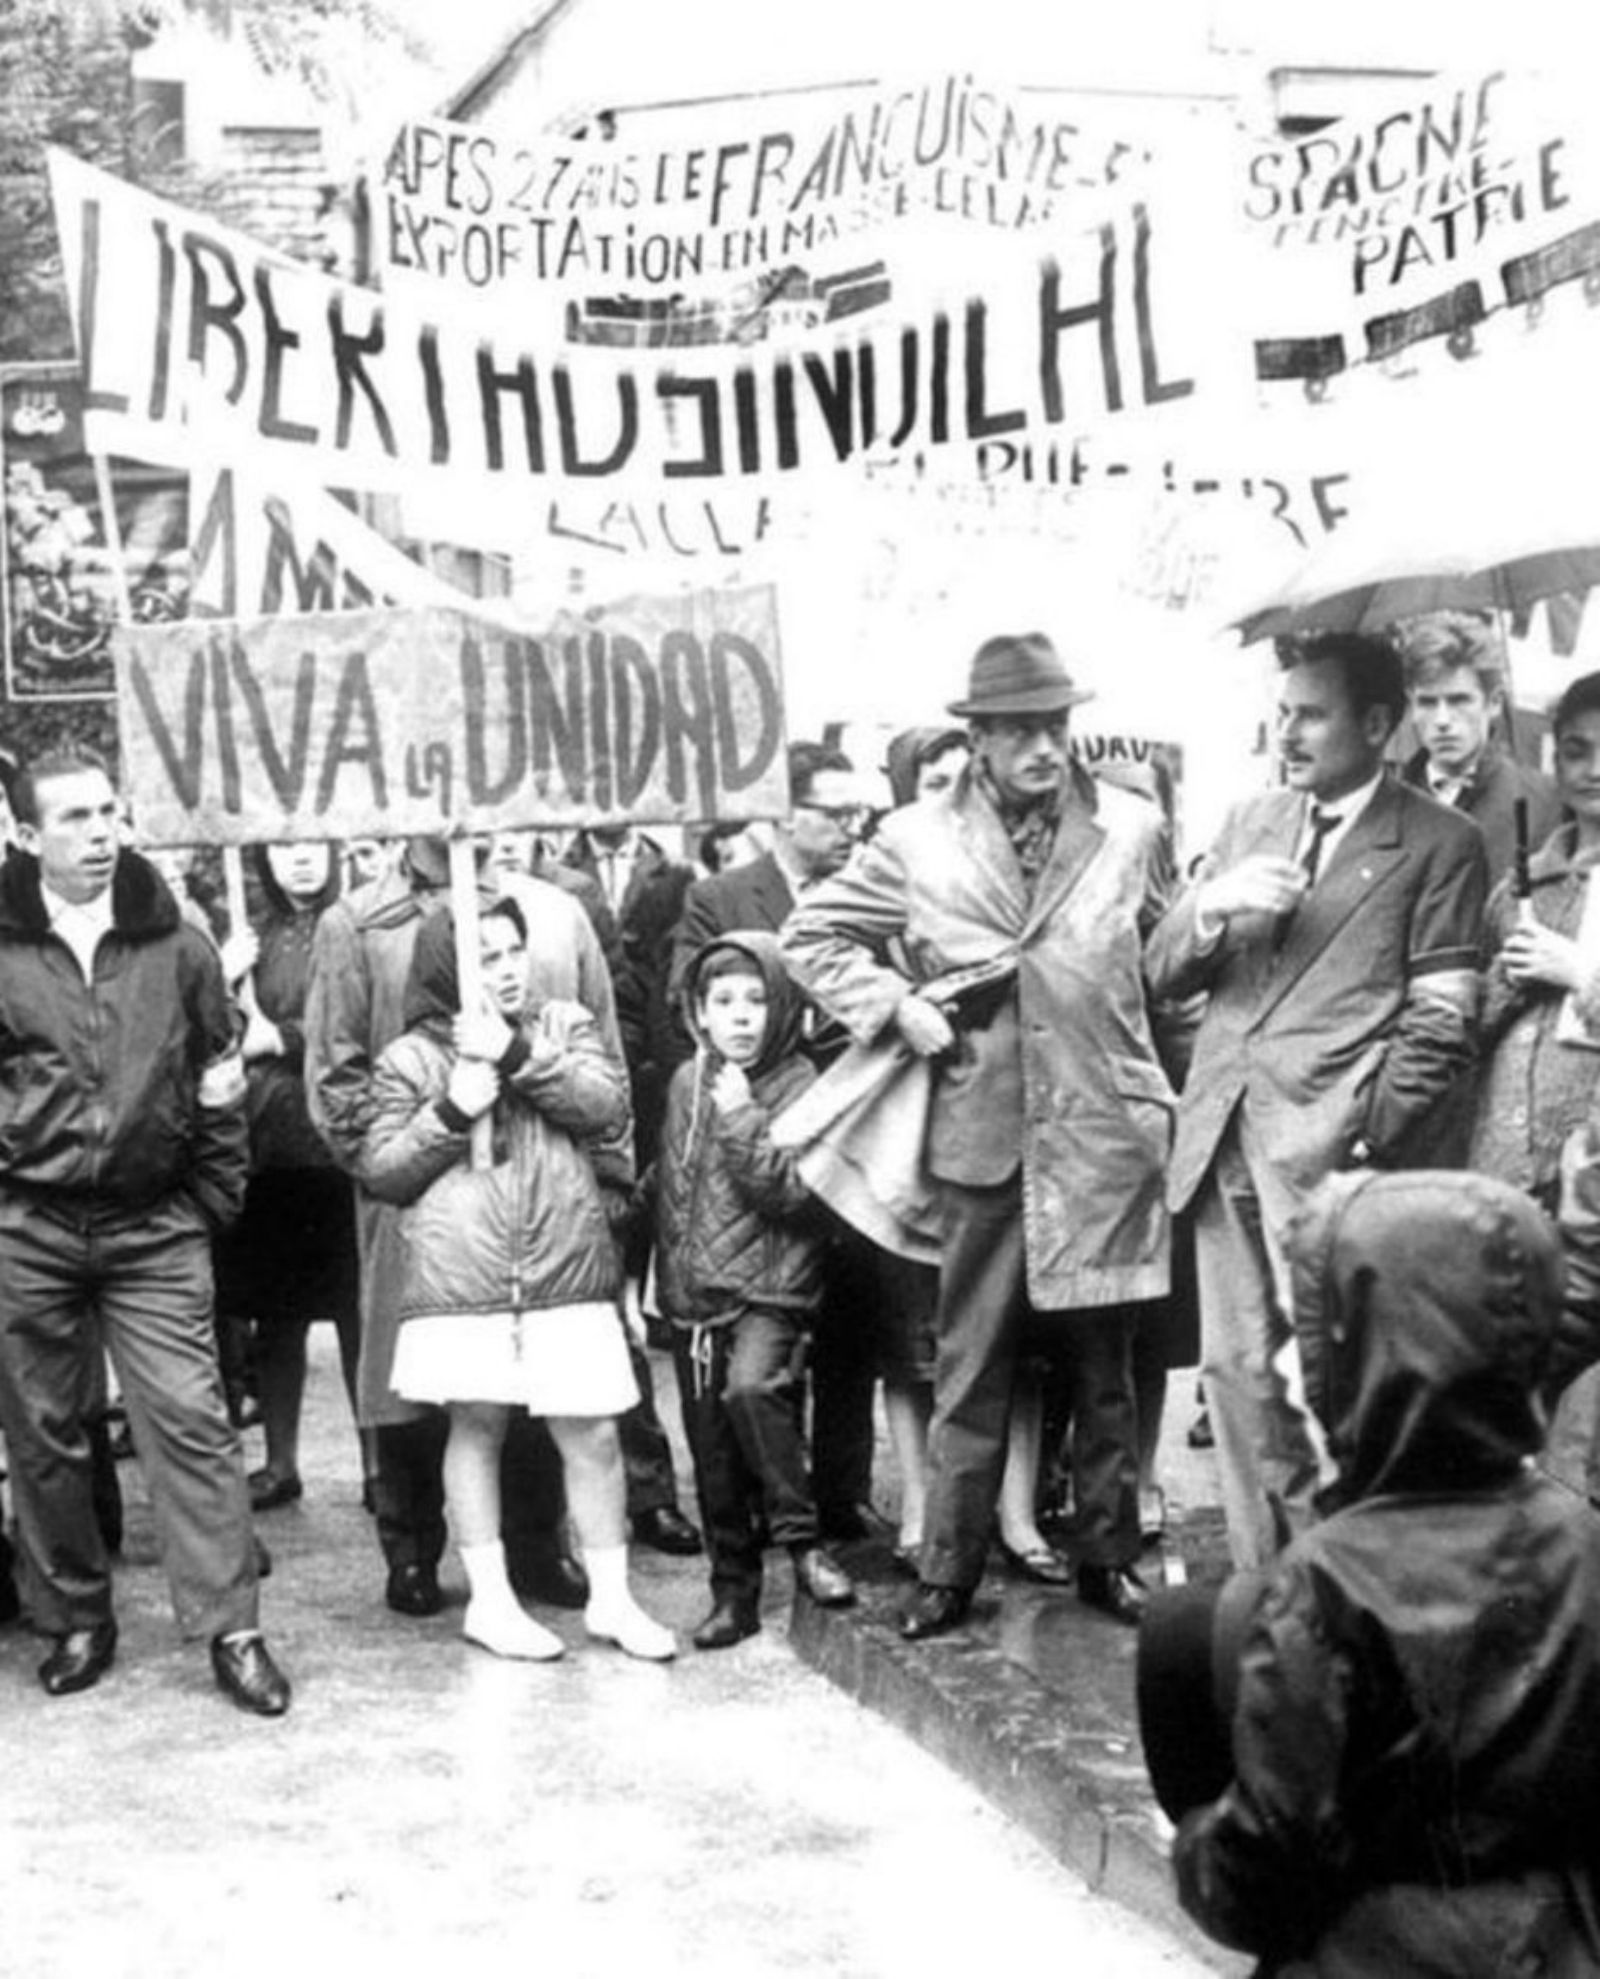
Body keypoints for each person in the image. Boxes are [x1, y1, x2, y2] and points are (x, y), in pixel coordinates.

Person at [784, 633, 1174, 1638]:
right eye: (1020, 729)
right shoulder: (917, 839)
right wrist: (894, 1002)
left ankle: (1108, 1554)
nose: (1044, 745)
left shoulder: (1130, 826)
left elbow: (1164, 959)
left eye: (1055, 724)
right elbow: (808, 935)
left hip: (1102, 1132)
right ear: (980, 737)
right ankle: (948, 1568)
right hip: (981, 1129)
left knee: (1106, 1366)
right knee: (967, 1362)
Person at [1173, 1170, 1600, 1974]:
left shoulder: (1324, 1577)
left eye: (1311, 1331)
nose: (1285, 1358)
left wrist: (1197, 1847)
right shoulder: (1580, 1535)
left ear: (1377, 1353)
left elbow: (1267, 1856)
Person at [1147, 631, 1487, 1570]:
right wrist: (1215, 906)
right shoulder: (1251, 818)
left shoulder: (1440, 842)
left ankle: (1360, 1592)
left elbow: (1441, 1023)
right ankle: (1275, 1595)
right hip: (1221, 1144)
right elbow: (1162, 969)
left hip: (1335, 1164)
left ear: (1379, 724)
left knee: (1339, 1390)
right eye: (1283, 711)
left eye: (1311, 714)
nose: (1287, 732)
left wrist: (1361, 1141)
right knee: (1238, 1376)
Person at [0, 745, 289, 1713]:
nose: (98, 833)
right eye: (73, 818)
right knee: (43, 1430)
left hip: (152, 1223)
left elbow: (219, 1077)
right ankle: (76, 1612)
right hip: (29, 1223)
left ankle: (232, 1625)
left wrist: (207, 1201)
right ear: (28, 835)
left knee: (192, 1420)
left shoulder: (178, 942)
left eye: (108, 812)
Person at [363, 898, 673, 1662]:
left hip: (562, 1259)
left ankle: (612, 1597)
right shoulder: (410, 1057)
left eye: (512, 952)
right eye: (484, 957)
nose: (504, 970)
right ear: (447, 968)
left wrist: (515, 1052)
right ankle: (491, 1602)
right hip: (464, 1272)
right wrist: (448, 1110)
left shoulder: (562, 1024)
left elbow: (603, 1104)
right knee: (478, 1426)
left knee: (593, 1429)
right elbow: (384, 1170)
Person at [305, 837, 594, 1618]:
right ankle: (413, 1548)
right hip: (419, 1183)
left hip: (534, 1189)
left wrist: (604, 1178)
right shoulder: (358, 921)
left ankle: (538, 1542)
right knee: (413, 1380)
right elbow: (336, 1071)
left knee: (527, 1369)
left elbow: (600, 1047)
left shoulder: (550, 910)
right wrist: (384, 1166)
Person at [672, 742, 884, 1546]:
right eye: (834, 811)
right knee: (757, 1353)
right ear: (782, 812)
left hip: (852, 1130)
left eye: (857, 813)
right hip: (756, 1129)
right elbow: (684, 1003)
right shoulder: (719, 896)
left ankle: (844, 1489)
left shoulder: (872, 893)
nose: (850, 827)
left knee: (851, 1328)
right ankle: (764, 1499)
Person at [653, 933, 856, 1650]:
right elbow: (676, 1187)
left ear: (784, 1007)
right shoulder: (687, 1081)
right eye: (724, 1002)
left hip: (774, 1284)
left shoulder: (802, 1083)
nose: (741, 1017)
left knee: (752, 1391)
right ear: (699, 1013)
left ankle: (802, 1545)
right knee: (710, 1447)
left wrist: (741, 1113)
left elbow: (795, 1193)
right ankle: (732, 1593)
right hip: (697, 1293)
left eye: (757, 1000)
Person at [214, 841, 365, 1514]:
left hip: (340, 1143)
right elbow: (209, 1031)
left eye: (312, 847)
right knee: (276, 1316)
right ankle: (280, 1461)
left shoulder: (357, 922)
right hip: (268, 1145)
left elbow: (365, 1020)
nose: (299, 861)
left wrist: (283, 1037)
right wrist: (222, 979)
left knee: (359, 1311)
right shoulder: (253, 935)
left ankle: (379, 1464)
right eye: (283, 849)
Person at [1398, 610, 1561, 882]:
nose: (1442, 721)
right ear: (1411, 705)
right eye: (1427, 702)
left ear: (1494, 702)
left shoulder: (1546, 803)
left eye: (1459, 700)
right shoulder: (1389, 801)